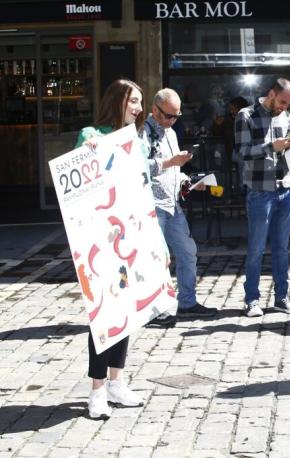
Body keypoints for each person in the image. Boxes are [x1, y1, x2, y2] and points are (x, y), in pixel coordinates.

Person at [75, 79, 146, 419]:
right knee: (103, 314)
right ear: (118, 100)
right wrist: (88, 151)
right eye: (134, 101)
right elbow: (77, 176)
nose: (138, 107)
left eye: (140, 102)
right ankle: (97, 389)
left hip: (130, 238)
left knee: (126, 313)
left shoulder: (136, 140)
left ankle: (117, 382)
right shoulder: (91, 134)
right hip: (99, 242)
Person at [143, 88, 218, 327]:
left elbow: (173, 170)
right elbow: (139, 166)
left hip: (172, 204)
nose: (173, 121)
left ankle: (186, 302)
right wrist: (170, 162)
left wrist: (189, 182)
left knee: (188, 251)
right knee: (156, 259)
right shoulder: (142, 133)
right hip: (152, 205)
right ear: (155, 110)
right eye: (169, 116)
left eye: (177, 116)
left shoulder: (170, 133)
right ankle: (154, 311)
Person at [235, 78, 290, 316]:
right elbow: (241, 153)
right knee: (256, 249)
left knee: (282, 248)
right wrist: (272, 146)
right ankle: (252, 299)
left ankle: (281, 298)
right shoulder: (246, 115)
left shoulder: (286, 116)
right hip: (259, 191)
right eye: (282, 102)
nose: (285, 107)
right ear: (272, 94)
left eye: (288, 104)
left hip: (285, 188)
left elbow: (288, 149)